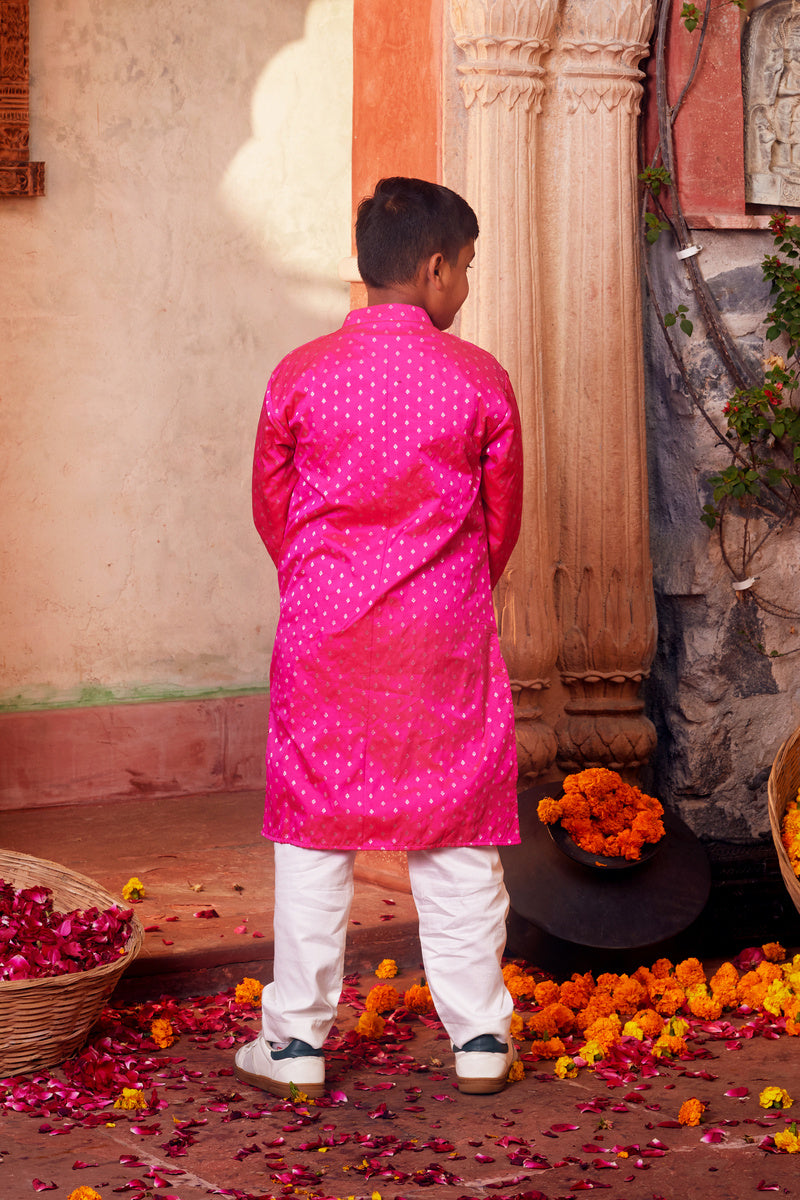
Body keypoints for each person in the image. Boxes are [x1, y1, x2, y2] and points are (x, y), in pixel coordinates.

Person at [235, 176, 524, 1099]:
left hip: (326, 640)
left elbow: (273, 511)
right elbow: (501, 518)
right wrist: (446, 592)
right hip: (442, 641)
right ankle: (480, 1040)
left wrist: (328, 585)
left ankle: (294, 1045)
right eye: (468, 269)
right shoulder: (479, 379)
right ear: (435, 268)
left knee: (315, 838)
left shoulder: (300, 373)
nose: (468, 288)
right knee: (457, 835)